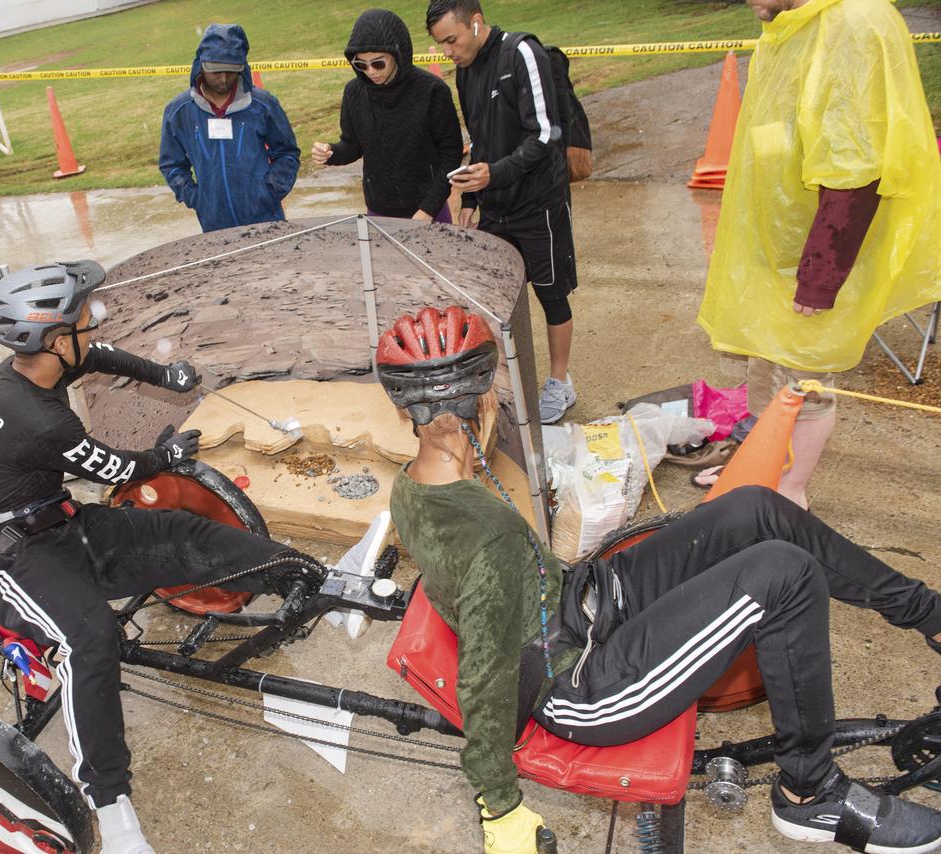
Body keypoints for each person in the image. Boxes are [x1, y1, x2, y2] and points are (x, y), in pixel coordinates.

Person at [378, 305, 941, 854]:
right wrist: (497, 803)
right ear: (483, 398)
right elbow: (486, 670)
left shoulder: (416, 483)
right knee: (784, 574)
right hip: (582, 686)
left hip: (582, 601)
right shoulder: (486, 534)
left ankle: (929, 615)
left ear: (407, 413)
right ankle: (809, 791)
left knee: (753, 508)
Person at [0, 262, 325, 854]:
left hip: (60, 522)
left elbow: (100, 354)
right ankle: (111, 805)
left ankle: (309, 577)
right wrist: (167, 454)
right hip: (10, 554)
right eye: (82, 319)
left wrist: (167, 375)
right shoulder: (36, 418)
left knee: (184, 533)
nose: (93, 323)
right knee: (90, 638)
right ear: (56, 341)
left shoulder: (25, 369)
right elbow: (121, 468)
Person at [696, 0, 941, 507]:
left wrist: (821, 275)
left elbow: (856, 165)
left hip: (820, 245)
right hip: (779, 237)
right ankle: (757, 464)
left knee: (805, 377)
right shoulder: (790, 27)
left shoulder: (851, 24)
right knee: (765, 361)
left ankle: (789, 489)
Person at [425, 0, 581, 425]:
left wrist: (495, 174)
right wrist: (473, 198)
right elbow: (477, 138)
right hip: (495, 204)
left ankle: (560, 382)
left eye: (451, 40)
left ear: (475, 23)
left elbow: (547, 134)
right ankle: (502, 382)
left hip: (539, 202)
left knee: (551, 294)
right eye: (440, 45)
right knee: (492, 300)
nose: (447, 52)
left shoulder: (522, 52)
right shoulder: (465, 71)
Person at [311, 8, 463, 223]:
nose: (371, 71)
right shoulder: (354, 92)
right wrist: (331, 153)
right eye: (361, 65)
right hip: (379, 211)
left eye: (378, 63)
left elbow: (451, 153)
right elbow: (353, 145)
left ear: (397, 53)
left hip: (429, 211)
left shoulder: (432, 90)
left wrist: (428, 209)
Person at [159, 24, 300, 233]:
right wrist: (196, 198)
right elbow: (171, 164)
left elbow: (287, 153)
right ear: (200, 65)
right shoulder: (179, 112)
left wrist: (270, 191)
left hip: (267, 220)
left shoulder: (262, 104)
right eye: (216, 71)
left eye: (231, 71)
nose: (223, 78)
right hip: (214, 226)